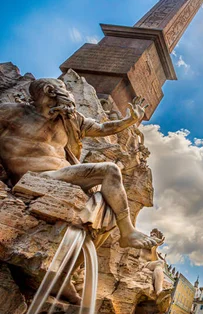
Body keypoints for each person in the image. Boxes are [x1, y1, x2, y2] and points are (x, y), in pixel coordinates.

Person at [0, 78, 156, 249]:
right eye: (64, 87)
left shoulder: (70, 120)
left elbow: (102, 129)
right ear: (49, 90)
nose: (68, 92)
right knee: (109, 170)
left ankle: (124, 233)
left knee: (108, 189)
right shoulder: (11, 113)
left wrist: (129, 121)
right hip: (32, 177)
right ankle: (128, 231)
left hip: (61, 175)